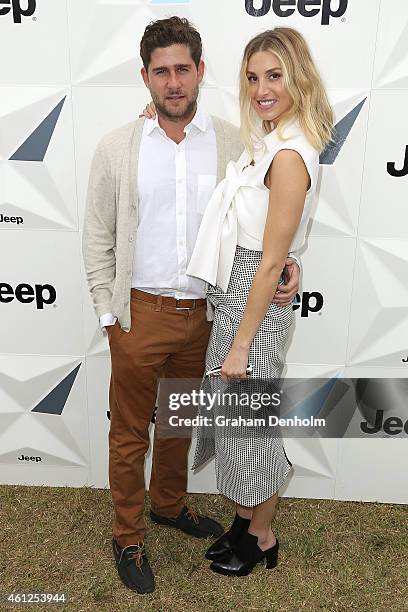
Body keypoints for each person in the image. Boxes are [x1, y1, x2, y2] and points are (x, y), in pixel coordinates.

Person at [82, 17, 301, 594]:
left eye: (183, 69)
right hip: (139, 313)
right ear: (146, 78)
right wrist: (110, 314)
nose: (173, 82)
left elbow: (267, 221)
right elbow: (97, 235)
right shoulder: (118, 147)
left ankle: (169, 506)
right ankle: (127, 537)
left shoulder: (238, 143)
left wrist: (292, 265)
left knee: (179, 422)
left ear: (201, 72)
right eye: (162, 72)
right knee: (130, 433)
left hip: (206, 313)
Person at [186, 27, 334, 576]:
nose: (261, 89)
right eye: (252, 77)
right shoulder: (270, 140)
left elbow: (272, 261)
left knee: (251, 425)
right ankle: (245, 522)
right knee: (237, 420)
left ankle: (262, 534)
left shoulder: (291, 155)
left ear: (298, 77)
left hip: (257, 296)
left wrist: (242, 342)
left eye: (274, 76)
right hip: (244, 287)